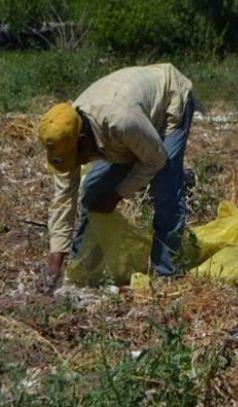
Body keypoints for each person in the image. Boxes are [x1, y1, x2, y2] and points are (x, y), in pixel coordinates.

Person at [37, 63, 194, 290]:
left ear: (83, 139)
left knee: (165, 186)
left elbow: (155, 159)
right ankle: (84, 269)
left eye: (78, 156)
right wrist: (55, 260)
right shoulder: (63, 136)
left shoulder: (120, 121)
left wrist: (117, 194)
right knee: (93, 191)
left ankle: (165, 272)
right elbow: (63, 200)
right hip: (133, 127)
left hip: (168, 101)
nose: (79, 163)